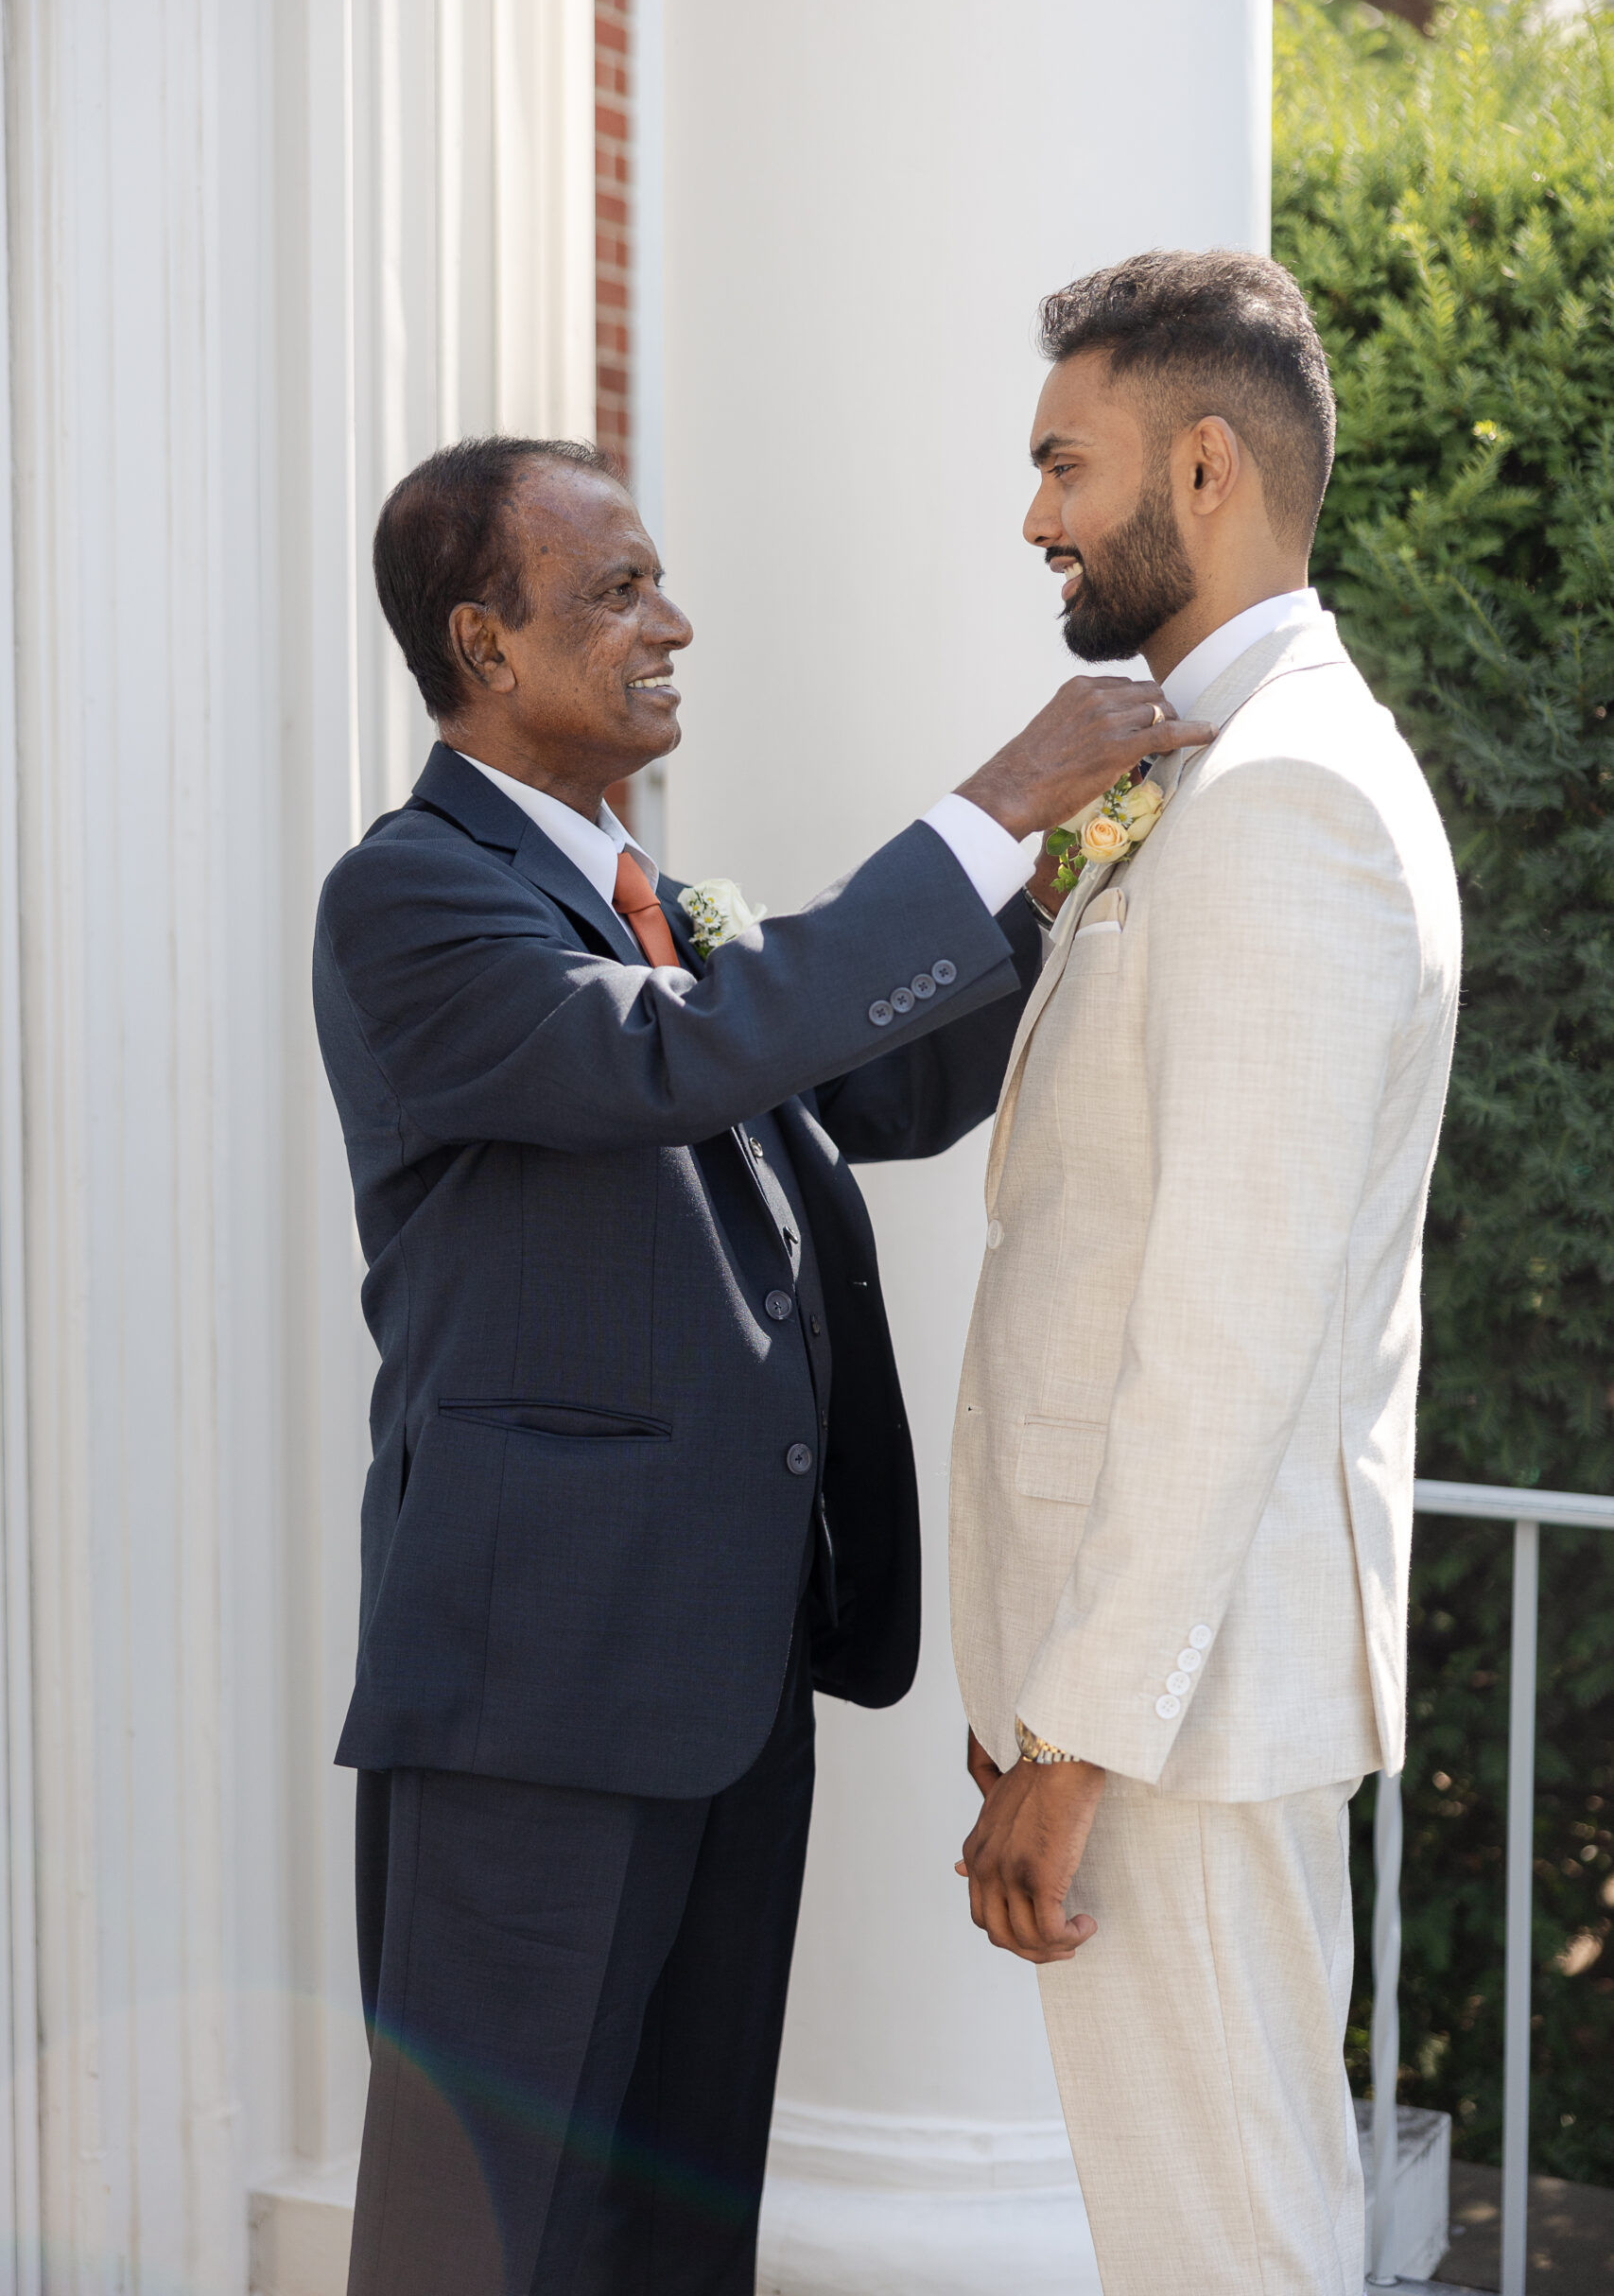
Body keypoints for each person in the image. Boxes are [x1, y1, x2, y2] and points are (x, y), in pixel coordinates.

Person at [313, 434, 1210, 2296]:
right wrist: (989, 797)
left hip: (724, 1689)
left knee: (674, 2225)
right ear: (482, 638)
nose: (674, 624)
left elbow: (871, 1076)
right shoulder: (413, 896)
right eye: (620, 589)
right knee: (477, 2240)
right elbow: (684, 1056)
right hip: (532, 1711)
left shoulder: (657, 906)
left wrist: (1066, 864)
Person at [950, 251, 1462, 2295]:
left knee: (1224, 2245)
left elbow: (1227, 1331)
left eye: (1060, 462)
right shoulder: (1200, 767)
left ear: (1199, 461)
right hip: (1143, 1686)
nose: (1035, 516)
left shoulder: (1289, 799)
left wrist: (1075, 1736)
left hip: (1172, 1709)